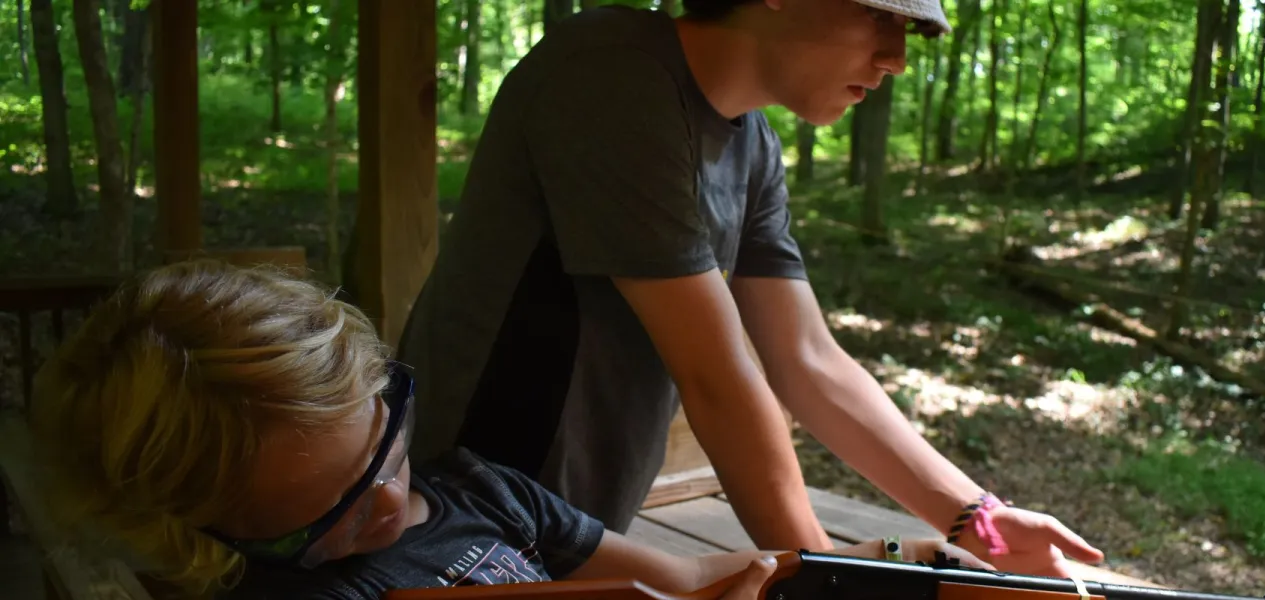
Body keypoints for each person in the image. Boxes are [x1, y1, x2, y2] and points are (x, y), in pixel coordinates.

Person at [398, 0, 1106, 581]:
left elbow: (808, 358)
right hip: (460, 526)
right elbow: (718, 376)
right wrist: (829, 578)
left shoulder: (753, 144)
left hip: (572, 535)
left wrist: (977, 518)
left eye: (909, 29)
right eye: (882, 17)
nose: (897, 58)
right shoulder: (611, 71)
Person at [26, 260, 996, 599]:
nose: (397, 505)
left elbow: (695, 576)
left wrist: (878, 563)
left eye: (388, 447)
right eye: (335, 517)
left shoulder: (482, 491)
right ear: (201, 538)